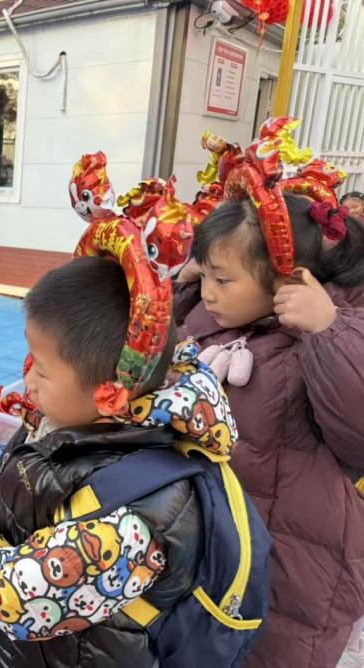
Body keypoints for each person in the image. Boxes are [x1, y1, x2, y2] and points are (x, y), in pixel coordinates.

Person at [0, 256, 269, 667]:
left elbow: (17, 598)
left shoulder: (135, 519)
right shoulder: (87, 421)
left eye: (42, 371)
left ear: (109, 392)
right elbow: (48, 474)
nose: (28, 382)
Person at [174, 192, 364, 668]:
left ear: (286, 277)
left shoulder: (335, 331)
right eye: (205, 274)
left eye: (222, 279)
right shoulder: (215, 316)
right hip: (217, 550)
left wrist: (327, 331)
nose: (209, 291)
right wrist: (182, 286)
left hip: (293, 568)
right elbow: (161, 348)